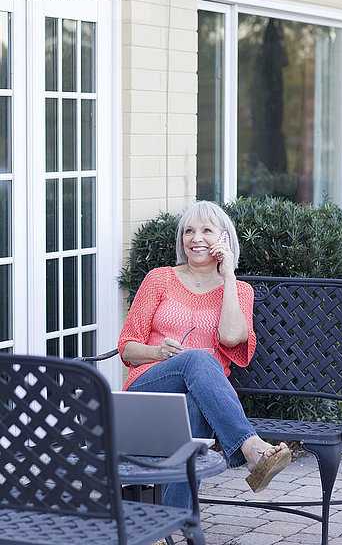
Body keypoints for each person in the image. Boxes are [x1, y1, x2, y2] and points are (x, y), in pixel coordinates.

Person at [118, 200, 291, 508]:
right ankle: (250, 449)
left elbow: (232, 337)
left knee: (195, 410)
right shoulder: (160, 278)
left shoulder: (239, 290)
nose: (196, 238)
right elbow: (127, 347)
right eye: (189, 231)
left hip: (197, 399)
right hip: (148, 388)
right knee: (198, 358)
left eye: (206, 230)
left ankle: (165, 529)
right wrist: (158, 352)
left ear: (224, 239)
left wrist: (228, 277)